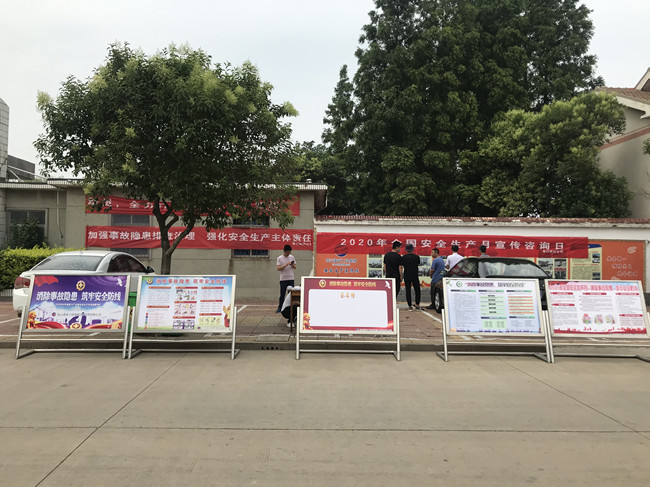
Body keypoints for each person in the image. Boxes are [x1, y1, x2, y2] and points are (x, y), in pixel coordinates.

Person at [276, 244, 296, 313]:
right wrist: (285, 265)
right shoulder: (279, 258)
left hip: (291, 278)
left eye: (289, 252)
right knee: (282, 294)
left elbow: (295, 267)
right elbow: (278, 268)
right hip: (283, 279)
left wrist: (292, 264)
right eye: (287, 252)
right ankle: (280, 307)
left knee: (291, 294)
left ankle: (290, 307)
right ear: (284, 251)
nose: (288, 254)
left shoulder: (292, 257)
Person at [401, 243, 421, 310]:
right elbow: (418, 264)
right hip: (415, 275)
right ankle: (417, 304)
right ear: (412, 249)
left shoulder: (403, 257)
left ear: (406, 250)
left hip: (407, 275)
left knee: (408, 291)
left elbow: (402, 266)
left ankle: (409, 305)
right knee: (417, 290)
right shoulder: (416, 257)